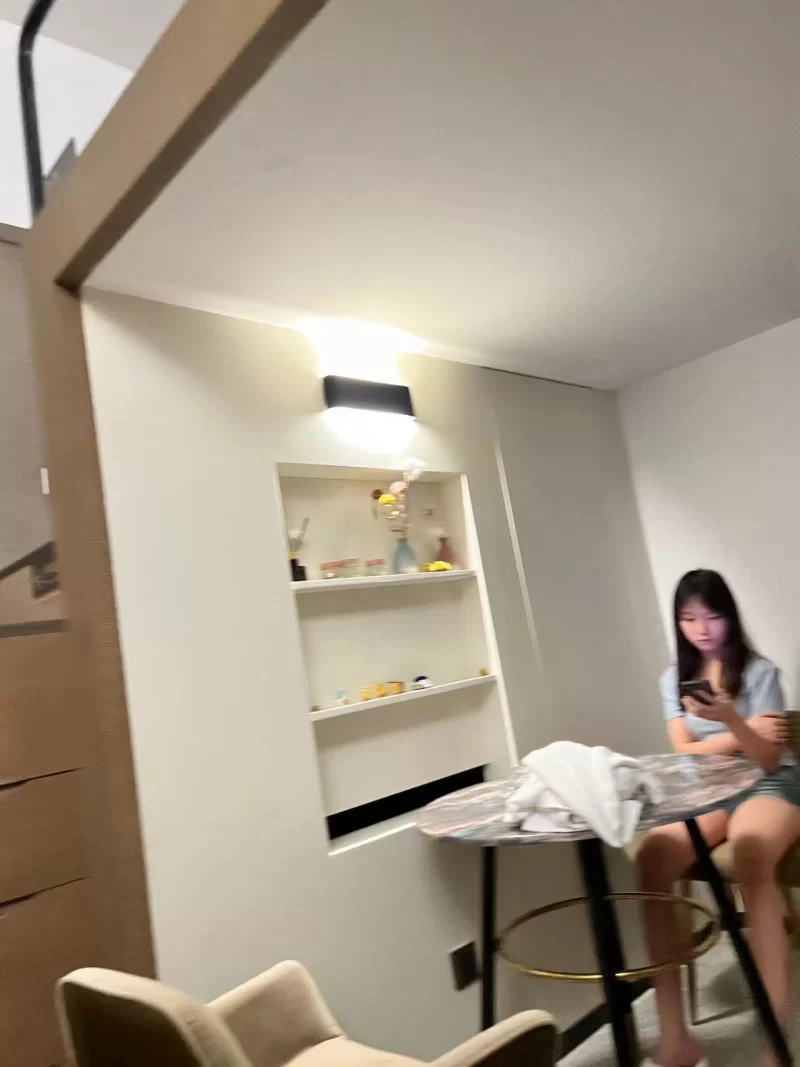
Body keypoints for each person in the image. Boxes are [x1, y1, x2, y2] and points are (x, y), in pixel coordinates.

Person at [638, 569, 800, 1067]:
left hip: (768, 784)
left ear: (730, 616)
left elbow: (769, 759)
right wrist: (743, 731)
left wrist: (729, 717)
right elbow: (681, 750)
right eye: (689, 618)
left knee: (752, 854)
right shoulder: (673, 679)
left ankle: (774, 1038)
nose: (702, 629)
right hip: (707, 789)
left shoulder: (761, 673)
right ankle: (674, 1039)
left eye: (712, 616)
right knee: (652, 858)